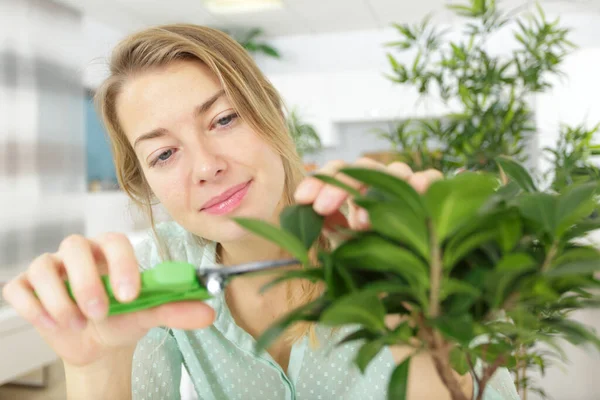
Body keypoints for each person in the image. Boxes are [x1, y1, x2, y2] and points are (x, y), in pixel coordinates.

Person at [2, 24, 520, 400]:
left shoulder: (388, 245)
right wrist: (95, 366)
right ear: (146, 182)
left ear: (273, 114)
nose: (205, 166)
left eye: (224, 119)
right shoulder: (153, 286)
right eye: (164, 153)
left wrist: (419, 300)